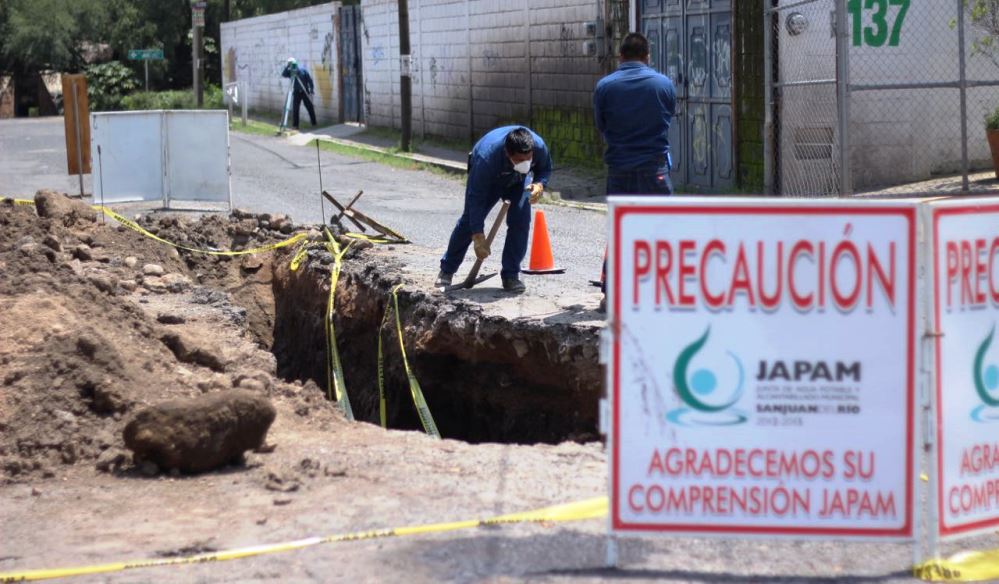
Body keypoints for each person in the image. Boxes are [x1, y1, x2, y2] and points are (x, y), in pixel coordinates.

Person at [593, 32, 676, 310]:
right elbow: (666, 119)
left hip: (620, 170)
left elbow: (601, 126)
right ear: (647, 56)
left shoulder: (605, 86)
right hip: (655, 171)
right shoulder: (663, 84)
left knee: (620, 232)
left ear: (620, 56)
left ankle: (612, 296)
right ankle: (660, 295)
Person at [435, 126, 553, 293]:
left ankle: (510, 276)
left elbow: (545, 169)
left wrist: (540, 184)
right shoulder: (486, 159)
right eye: (520, 160)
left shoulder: (538, 146)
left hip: (519, 181)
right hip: (490, 180)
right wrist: (478, 235)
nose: (526, 163)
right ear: (507, 153)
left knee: (520, 220)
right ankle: (447, 270)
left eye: (529, 158)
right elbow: (476, 199)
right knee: (469, 221)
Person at [281, 57, 317, 130]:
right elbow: (284, 74)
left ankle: (314, 123)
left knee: (310, 107)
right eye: (290, 64)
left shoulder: (303, 71)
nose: (292, 66)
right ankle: (295, 125)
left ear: (296, 64)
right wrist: (287, 66)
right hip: (296, 92)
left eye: (292, 64)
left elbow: (310, 80)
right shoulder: (290, 72)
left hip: (304, 91)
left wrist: (311, 89)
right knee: (295, 109)